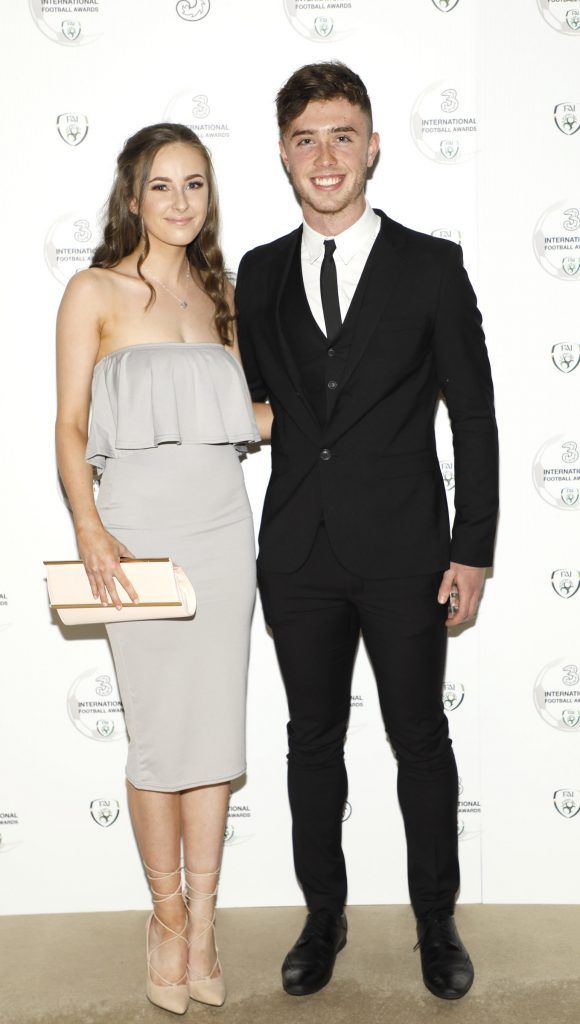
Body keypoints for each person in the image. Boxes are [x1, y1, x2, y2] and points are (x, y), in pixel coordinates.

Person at [236, 63, 498, 1001]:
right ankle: (324, 916)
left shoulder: (432, 264)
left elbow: (473, 414)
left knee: (419, 739)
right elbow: (257, 405)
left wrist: (473, 547)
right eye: (305, 138)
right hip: (297, 553)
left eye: (342, 135)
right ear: (282, 154)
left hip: (406, 551)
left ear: (374, 145)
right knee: (312, 743)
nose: (325, 156)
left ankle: (436, 921)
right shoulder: (259, 272)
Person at [55, 123, 261, 1015]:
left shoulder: (222, 296)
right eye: (163, 186)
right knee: (156, 738)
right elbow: (67, 426)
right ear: (132, 197)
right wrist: (92, 531)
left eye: (196, 185)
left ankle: (207, 922)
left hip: (223, 527)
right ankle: (167, 919)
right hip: (136, 534)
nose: (181, 203)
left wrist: (344, 397)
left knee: (212, 731)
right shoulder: (92, 290)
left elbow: (248, 415)